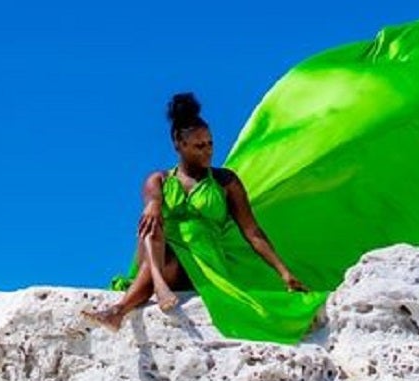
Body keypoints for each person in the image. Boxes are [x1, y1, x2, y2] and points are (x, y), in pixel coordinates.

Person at [84, 93, 320, 336]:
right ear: (179, 143)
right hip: (162, 260)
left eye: (210, 144)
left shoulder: (225, 181)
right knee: (153, 221)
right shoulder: (159, 180)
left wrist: (284, 272)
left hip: (204, 263)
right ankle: (143, 293)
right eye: (199, 146)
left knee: (160, 226)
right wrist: (154, 205)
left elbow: (253, 232)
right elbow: (151, 205)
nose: (208, 151)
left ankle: (124, 306)